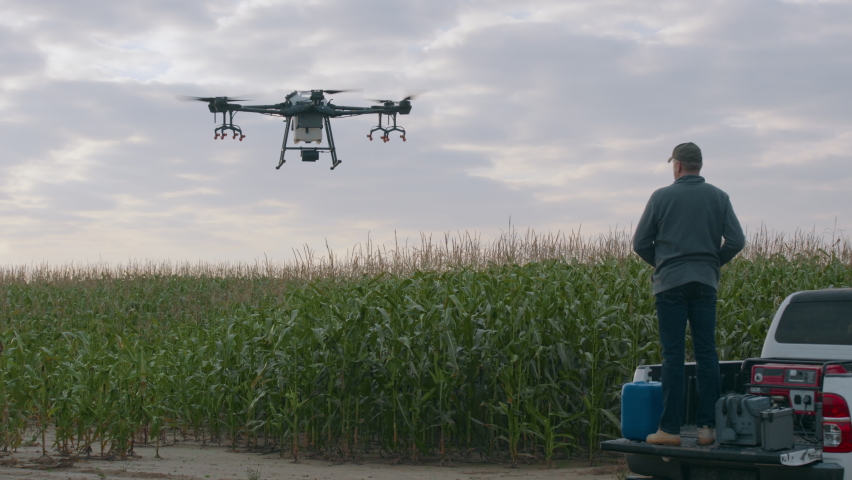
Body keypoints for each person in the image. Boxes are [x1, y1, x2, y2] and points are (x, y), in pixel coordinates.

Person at [633, 142, 745, 446]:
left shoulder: (661, 197)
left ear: (678, 165)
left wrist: (665, 263)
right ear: (699, 165)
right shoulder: (719, 197)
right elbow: (736, 240)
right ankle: (707, 429)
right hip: (705, 283)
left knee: (673, 355)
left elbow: (640, 242)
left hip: (670, 285)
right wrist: (711, 263)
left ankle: (669, 430)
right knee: (707, 352)